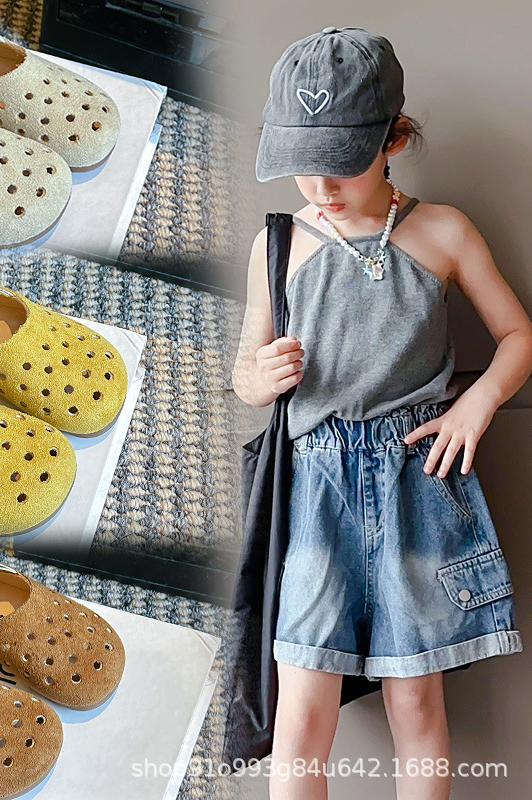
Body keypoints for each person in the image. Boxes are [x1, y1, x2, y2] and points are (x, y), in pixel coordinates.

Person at [232, 26, 532, 800]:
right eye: (303, 164)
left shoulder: (443, 231)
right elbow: (243, 369)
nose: (321, 186)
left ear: (394, 139)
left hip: (417, 482)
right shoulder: (279, 245)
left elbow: (517, 336)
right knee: (301, 709)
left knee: (417, 701)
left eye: (341, 162)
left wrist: (476, 404)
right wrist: (260, 378)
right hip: (315, 490)